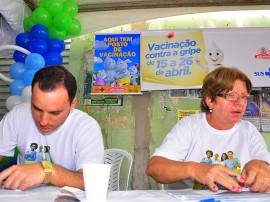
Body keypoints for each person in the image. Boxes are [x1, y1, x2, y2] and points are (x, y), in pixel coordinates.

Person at [146, 66, 270, 192]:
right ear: (210, 100)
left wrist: (261, 166)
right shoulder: (190, 126)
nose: (240, 103)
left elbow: (265, 165)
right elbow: (154, 167)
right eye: (231, 95)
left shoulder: (249, 130)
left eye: (244, 96)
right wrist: (196, 169)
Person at [0, 65, 104, 190]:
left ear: (72, 104)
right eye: (36, 108)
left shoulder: (86, 127)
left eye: (55, 113)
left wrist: (47, 171)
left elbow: (92, 182)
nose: (43, 121)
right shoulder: (18, 115)